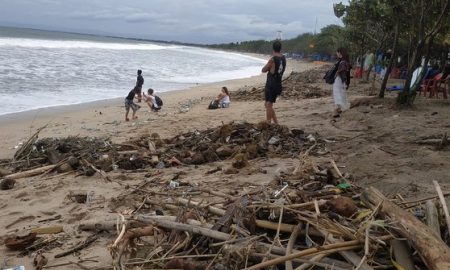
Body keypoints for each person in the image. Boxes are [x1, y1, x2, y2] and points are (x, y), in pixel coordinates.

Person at [261, 40, 286, 124]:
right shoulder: (283, 58)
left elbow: (263, 70)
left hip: (271, 84)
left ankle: (268, 123)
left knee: (268, 105)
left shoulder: (272, 59)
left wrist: (269, 64)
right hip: (278, 83)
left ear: (273, 48)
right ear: (280, 48)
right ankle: (276, 123)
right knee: (268, 105)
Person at [332, 47, 350, 118]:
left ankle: (336, 110)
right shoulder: (345, 61)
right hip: (342, 81)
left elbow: (342, 73)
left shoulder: (342, 62)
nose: (336, 54)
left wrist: (343, 82)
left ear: (340, 53)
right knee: (340, 94)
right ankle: (338, 109)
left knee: (337, 94)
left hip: (339, 80)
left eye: (337, 52)